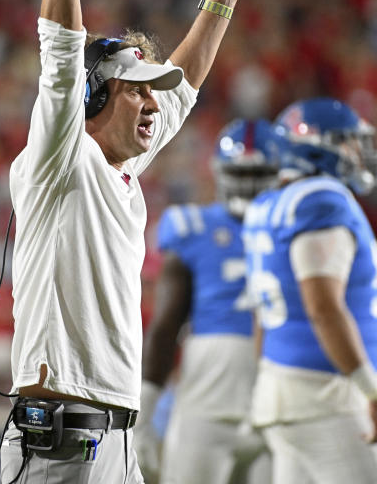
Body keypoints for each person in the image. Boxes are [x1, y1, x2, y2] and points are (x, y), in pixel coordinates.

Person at [1, 0, 243, 482]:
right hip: (56, 440)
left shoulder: (123, 172)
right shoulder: (61, 159)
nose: (150, 103)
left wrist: (219, 0)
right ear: (98, 97)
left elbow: (182, 87)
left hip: (117, 441)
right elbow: (61, 58)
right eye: (135, 88)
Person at [242, 98, 377, 483]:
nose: (358, 152)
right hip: (328, 399)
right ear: (318, 145)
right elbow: (323, 307)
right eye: (349, 141)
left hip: (285, 395)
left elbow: (261, 318)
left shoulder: (266, 205)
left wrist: (266, 378)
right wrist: (371, 391)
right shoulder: (320, 199)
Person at [135, 118, 280, 484]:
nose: (247, 184)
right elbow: (167, 326)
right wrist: (145, 412)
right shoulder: (191, 226)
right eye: (239, 173)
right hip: (220, 392)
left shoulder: (294, 227)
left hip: (272, 390)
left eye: (257, 173)